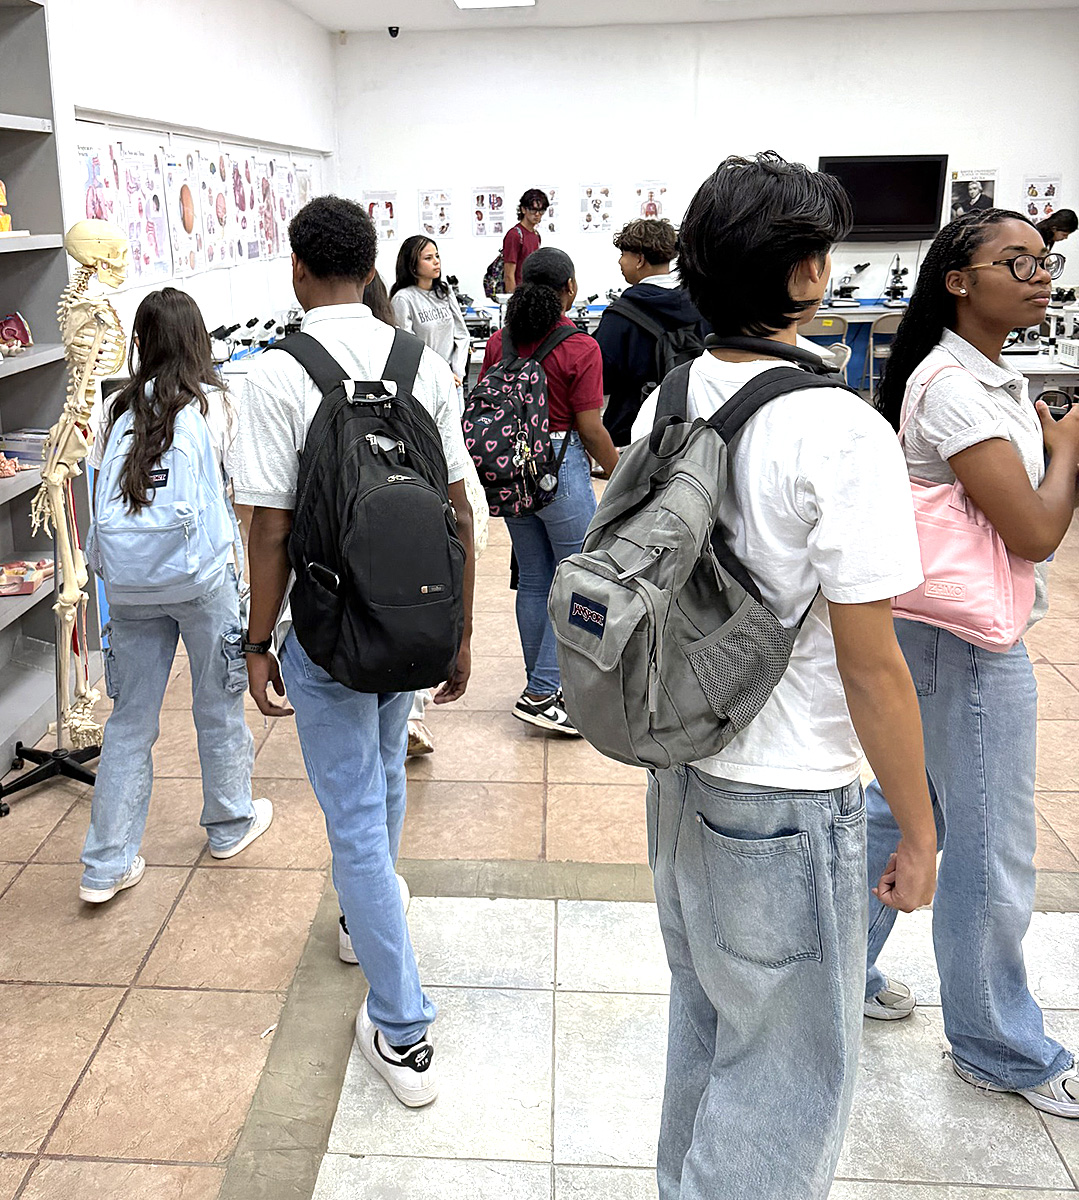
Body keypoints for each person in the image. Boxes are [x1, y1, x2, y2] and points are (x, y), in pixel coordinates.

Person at [629, 153, 938, 1200]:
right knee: (786, 1079)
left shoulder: (669, 398)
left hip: (682, 772)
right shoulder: (839, 429)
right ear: (806, 273)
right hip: (789, 793)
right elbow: (870, 663)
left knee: (707, 1031)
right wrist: (917, 829)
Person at [232, 196, 475, 1108]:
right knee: (382, 776)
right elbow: (459, 513)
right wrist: (461, 634)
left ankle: (401, 1028)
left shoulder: (274, 375)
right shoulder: (422, 364)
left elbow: (269, 529)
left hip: (328, 632)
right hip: (413, 619)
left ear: (296, 270)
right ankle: (358, 922)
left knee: (354, 821)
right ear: (373, 268)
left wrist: (259, 642)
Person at [866, 209, 1079, 1115]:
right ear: (958, 281)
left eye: (1045, 261)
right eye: (1017, 262)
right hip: (969, 644)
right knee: (989, 849)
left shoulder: (986, 378)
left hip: (933, 631)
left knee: (892, 815)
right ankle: (997, 1047)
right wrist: (1067, 451)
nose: (1041, 276)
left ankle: (835, 971)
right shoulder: (954, 388)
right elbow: (1032, 530)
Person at [80, 288, 272, 903]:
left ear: (140, 341)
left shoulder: (115, 409)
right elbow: (242, 498)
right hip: (203, 580)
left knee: (130, 721)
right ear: (198, 340)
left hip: (128, 586)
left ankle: (105, 863)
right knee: (217, 705)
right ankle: (230, 823)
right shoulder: (217, 404)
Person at [479, 247, 619, 734]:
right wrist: (620, 471)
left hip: (510, 469)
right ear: (570, 289)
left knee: (536, 578)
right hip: (560, 470)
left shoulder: (499, 342)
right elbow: (591, 428)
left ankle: (542, 685)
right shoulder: (580, 346)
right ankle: (542, 691)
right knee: (582, 579)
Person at [593, 218, 706, 446]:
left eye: (623, 254)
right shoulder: (701, 306)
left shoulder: (620, 317)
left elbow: (600, 378)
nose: (620, 261)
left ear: (639, 260)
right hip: (692, 429)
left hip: (633, 434)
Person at [389, 235, 469, 398]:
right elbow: (409, 348)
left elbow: (461, 335)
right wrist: (440, 374)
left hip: (453, 381)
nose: (436, 262)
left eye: (437, 256)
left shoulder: (445, 291)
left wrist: (457, 372)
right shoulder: (403, 299)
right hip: (424, 383)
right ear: (412, 265)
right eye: (428, 258)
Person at [502, 189, 548, 293]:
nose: (537, 214)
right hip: (519, 294)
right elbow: (509, 275)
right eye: (533, 210)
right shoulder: (514, 235)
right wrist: (513, 299)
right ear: (523, 209)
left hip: (531, 293)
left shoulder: (536, 235)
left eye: (541, 211)